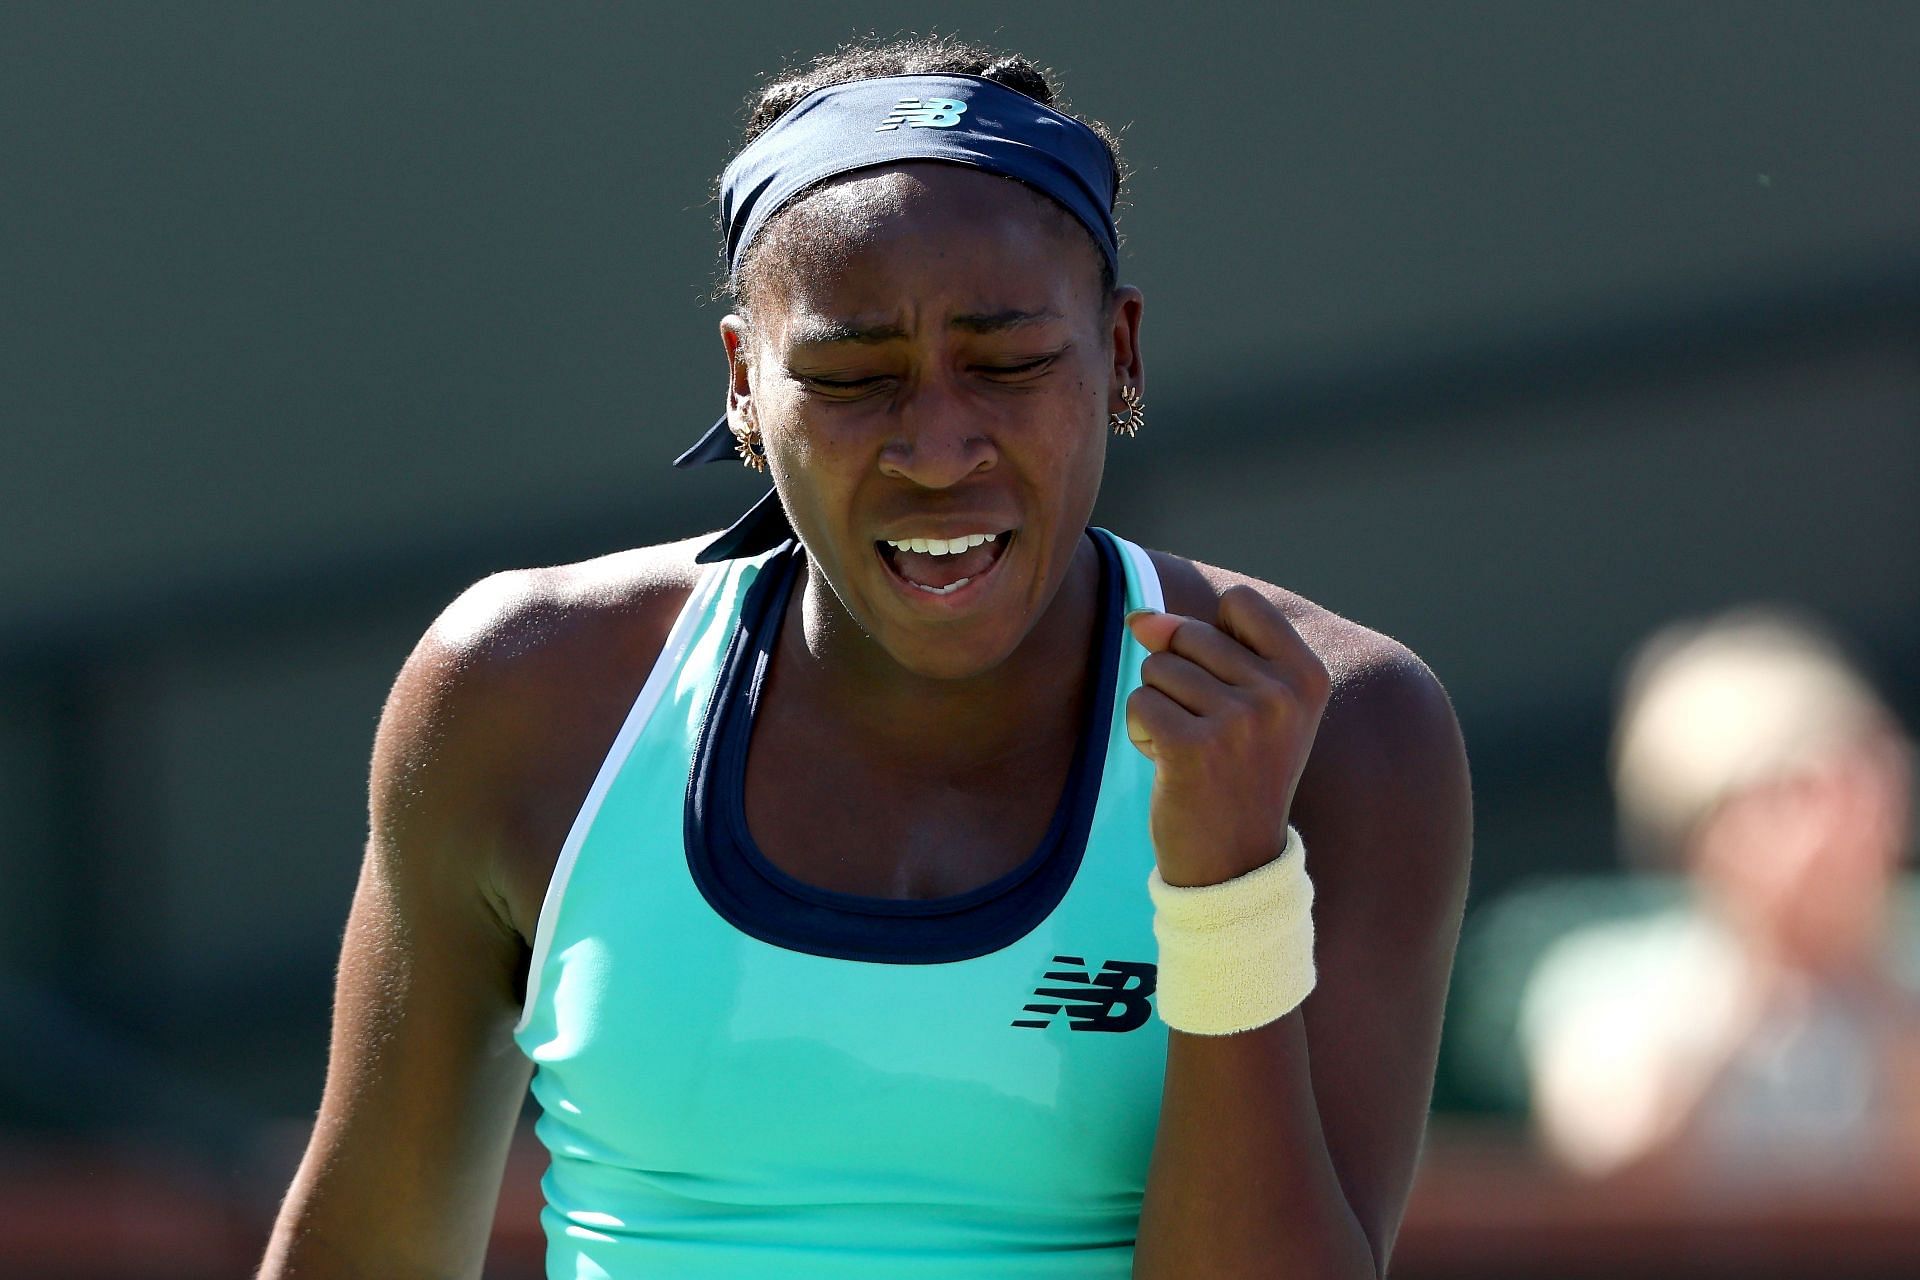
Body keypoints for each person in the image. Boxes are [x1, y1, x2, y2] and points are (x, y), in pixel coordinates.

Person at [259, 36, 1470, 1280]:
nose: (937, 446)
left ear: (1120, 355)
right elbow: (363, 1251)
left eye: (1007, 364)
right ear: (743, 382)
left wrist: (1226, 892)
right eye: (849, 377)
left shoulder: (1346, 728)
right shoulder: (522, 692)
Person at [1521, 607, 1920, 1181]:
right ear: (1705, 830)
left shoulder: (1903, 981)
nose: (1840, 824)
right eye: (1792, 794)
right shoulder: (1608, 984)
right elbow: (1607, 1165)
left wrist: (1862, 968)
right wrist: (1764, 960)